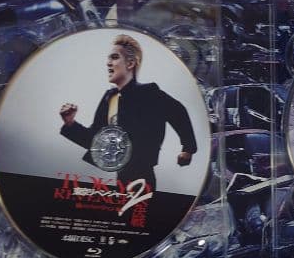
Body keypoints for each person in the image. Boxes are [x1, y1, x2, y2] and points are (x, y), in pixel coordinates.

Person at [59, 33, 196, 191]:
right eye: (108, 58)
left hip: (143, 176)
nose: (108, 63)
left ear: (130, 63)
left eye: (114, 57)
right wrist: (70, 123)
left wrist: (188, 148)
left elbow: (178, 112)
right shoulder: (110, 99)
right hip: (121, 177)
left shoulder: (149, 92)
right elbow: (95, 141)